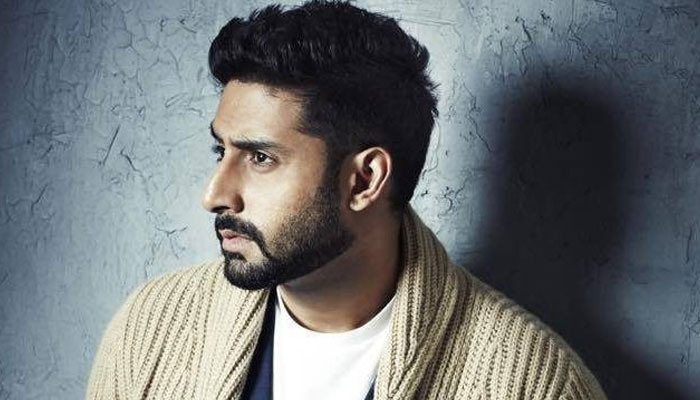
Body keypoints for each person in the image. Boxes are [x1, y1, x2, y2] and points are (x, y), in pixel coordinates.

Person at [86, 1, 607, 399]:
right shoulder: (152, 329)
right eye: (220, 151)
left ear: (364, 180)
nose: (214, 194)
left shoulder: (534, 384)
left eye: (261, 158)